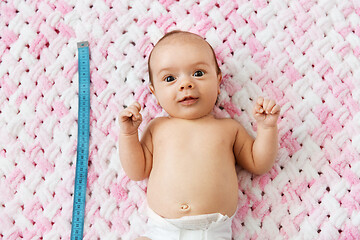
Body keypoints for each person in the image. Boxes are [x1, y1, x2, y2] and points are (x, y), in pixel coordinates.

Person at [118, 30, 281, 240]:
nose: (185, 84)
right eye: (170, 78)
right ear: (155, 93)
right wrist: (129, 134)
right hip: (162, 231)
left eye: (198, 73)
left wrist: (267, 129)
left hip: (212, 232)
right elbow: (137, 171)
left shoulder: (229, 129)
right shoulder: (157, 128)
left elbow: (259, 163)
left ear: (218, 80)